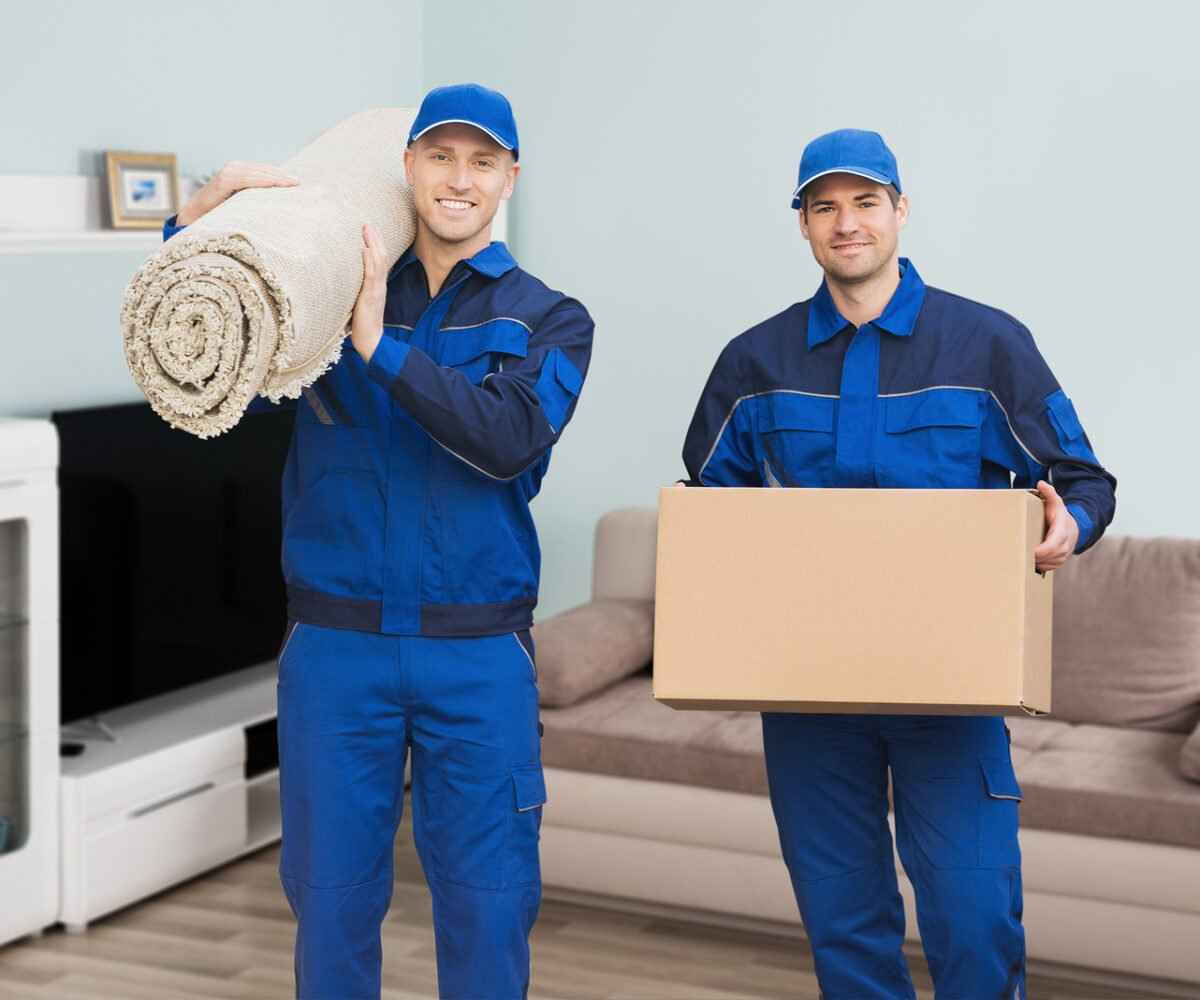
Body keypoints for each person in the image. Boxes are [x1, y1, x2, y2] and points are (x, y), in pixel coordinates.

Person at [164, 83, 593, 1000]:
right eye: (440, 155)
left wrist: (379, 348)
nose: (459, 178)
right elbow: (213, 342)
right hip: (335, 650)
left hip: (477, 656)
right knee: (328, 902)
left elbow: (507, 436)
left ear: (510, 178)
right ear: (408, 169)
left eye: (483, 160)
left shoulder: (551, 320)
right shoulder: (326, 287)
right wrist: (188, 228)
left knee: (487, 905)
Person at [680, 128, 1115, 998]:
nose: (847, 223)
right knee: (846, 932)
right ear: (802, 225)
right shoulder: (754, 362)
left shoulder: (988, 345)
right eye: (825, 206)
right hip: (809, 695)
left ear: (900, 211)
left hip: (951, 688)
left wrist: (1070, 528)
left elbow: (1080, 480)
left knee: (976, 920)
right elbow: (705, 513)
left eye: (865, 202)